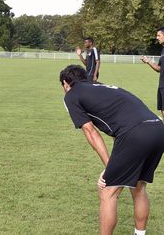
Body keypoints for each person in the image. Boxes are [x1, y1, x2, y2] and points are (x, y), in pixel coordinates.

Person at [60, 65, 164, 235]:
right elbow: (121, 127)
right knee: (138, 187)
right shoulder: (102, 87)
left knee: (107, 191)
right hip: (158, 129)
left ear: (66, 83)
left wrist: (109, 167)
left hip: (135, 132)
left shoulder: (72, 94)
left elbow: (91, 132)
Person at [141, 27, 164, 119]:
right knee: (162, 109)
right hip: (162, 84)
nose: (157, 38)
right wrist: (148, 61)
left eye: (159, 35)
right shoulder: (163, 50)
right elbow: (160, 69)